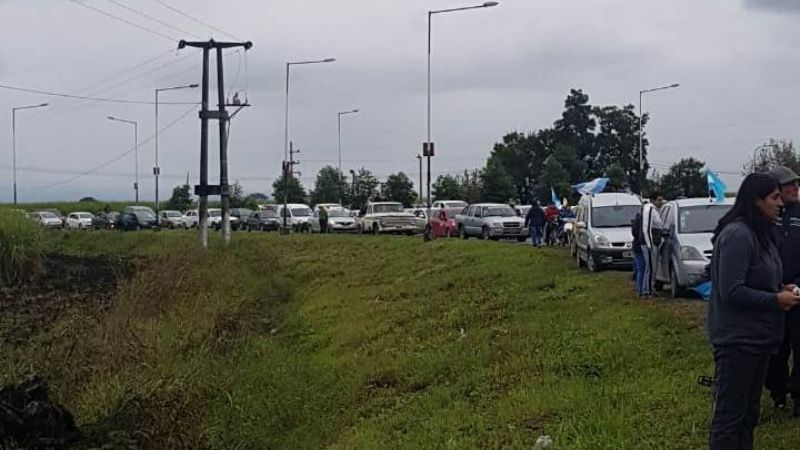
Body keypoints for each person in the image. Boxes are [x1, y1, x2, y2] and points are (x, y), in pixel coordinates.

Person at [708, 173, 799, 449]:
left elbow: (759, 278)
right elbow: (731, 290)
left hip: (760, 340)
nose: (780, 204)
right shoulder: (738, 234)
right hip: (739, 341)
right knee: (729, 419)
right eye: (773, 198)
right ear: (757, 201)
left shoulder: (762, 234)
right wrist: (775, 300)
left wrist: (783, 286)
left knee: (748, 416)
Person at [765, 166, 800, 415]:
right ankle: (778, 394)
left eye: (796, 183)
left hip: (798, 292)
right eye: (789, 184)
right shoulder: (765, 217)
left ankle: (799, 398)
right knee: (775, 348)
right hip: (772, 294)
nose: (794, 187)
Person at [640, 192, 664, 297]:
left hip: (654, 242)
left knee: (652, 267)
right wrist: (649, 244)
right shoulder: (649, 210)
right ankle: (647, 291)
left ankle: (650, 289)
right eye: (659, 200)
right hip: (649, 243)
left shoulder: (655, 211)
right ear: (653, 200)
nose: (660, 202)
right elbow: (646, 228)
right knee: (650, 267)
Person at [631, 209, 646, 297]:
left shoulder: (638, 218)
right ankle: (640, 290)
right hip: (639, 247)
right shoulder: (640, 219)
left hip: (638, 246)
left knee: (641, 268)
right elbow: (635, 233)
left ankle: (641, 289)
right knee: (642, 268)